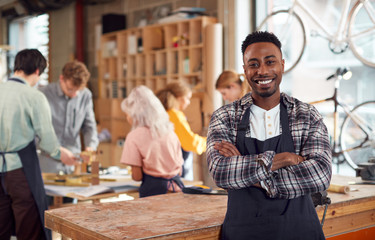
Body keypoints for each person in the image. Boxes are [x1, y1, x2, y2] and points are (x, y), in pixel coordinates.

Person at [206, 31, 332, 239]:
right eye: (253, 64)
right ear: (245, 69)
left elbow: (320, 174)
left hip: (300, 232)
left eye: (270, 62)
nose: (262, 71)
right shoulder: (225, 117)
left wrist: (245, 171)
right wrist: (284, 159)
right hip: (243, 233)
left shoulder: (306, 115)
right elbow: (220, 172)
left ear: (282, 64)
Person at [0, 49, 77, 240]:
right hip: (19, 171)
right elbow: (49, 142)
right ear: (37, 71)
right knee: (30, 228)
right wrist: (62, 154)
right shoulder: (34, 97)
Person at [120, 85, 184, 198]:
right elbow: (179, 171)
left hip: (153, 193)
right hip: (177, 190)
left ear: (135, 115)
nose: (127, 118)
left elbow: (137, 176)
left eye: (127, 114)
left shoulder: (133, 136)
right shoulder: (170, 132)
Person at [39, 60, 99, 174]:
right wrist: (57, 151)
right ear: (62, 79)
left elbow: (89, 126)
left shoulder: (85, 95)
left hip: (73, 165)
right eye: (70, 89)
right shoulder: (43, 94)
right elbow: (35, 133)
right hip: (47, 165)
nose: (74, 94)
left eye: (78, 90)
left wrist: (90, 147)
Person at [156, 81, 206, 180]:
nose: (188, 102)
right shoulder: (175, 115)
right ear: (179, 98)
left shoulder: (162, 114)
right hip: (177, 168)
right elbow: (190, 143)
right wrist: (209, 142)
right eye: (188, 98)